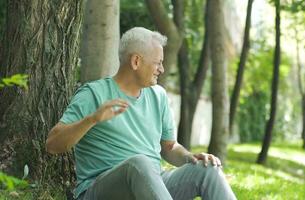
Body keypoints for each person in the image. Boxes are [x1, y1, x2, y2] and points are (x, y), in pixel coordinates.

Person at [46, 27, 237, 200]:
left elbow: (169, 147)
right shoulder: (94, 94)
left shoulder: (158, 95)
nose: (161, 69)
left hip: (154, 186)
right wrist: (92, 119)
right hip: (101, 190)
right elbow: (53, 144)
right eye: (158, 63)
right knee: (139, 163)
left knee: (208, 170)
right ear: (136, 61)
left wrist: (190, 157)